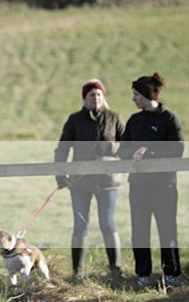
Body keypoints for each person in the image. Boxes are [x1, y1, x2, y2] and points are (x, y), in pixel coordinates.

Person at [55, 79, 126, 280]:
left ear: (103, 97)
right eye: (91, 95)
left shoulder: (114, 118)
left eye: (98, 94)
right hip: (80, 182)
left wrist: (108, 151)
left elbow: (127, 146)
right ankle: (77, 272)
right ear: (84, 98)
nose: (95, 98)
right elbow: (62, 148)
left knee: (107, 223)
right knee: (80, 224)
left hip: (108, 181)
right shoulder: (74, 120)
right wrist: (60, 175)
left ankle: (116, 269)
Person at [119, 73, 184, 288]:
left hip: (164, 185)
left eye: (136, 94)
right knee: (140, 229)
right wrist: (132, 155)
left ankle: (172, 273)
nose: (133, 99)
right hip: (138, 185)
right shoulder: (134, 120)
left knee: (167, 228)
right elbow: (122, 150)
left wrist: (151, 153)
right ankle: (143, 274)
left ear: (147, 95)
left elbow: (177, 150)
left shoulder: (169, 119)